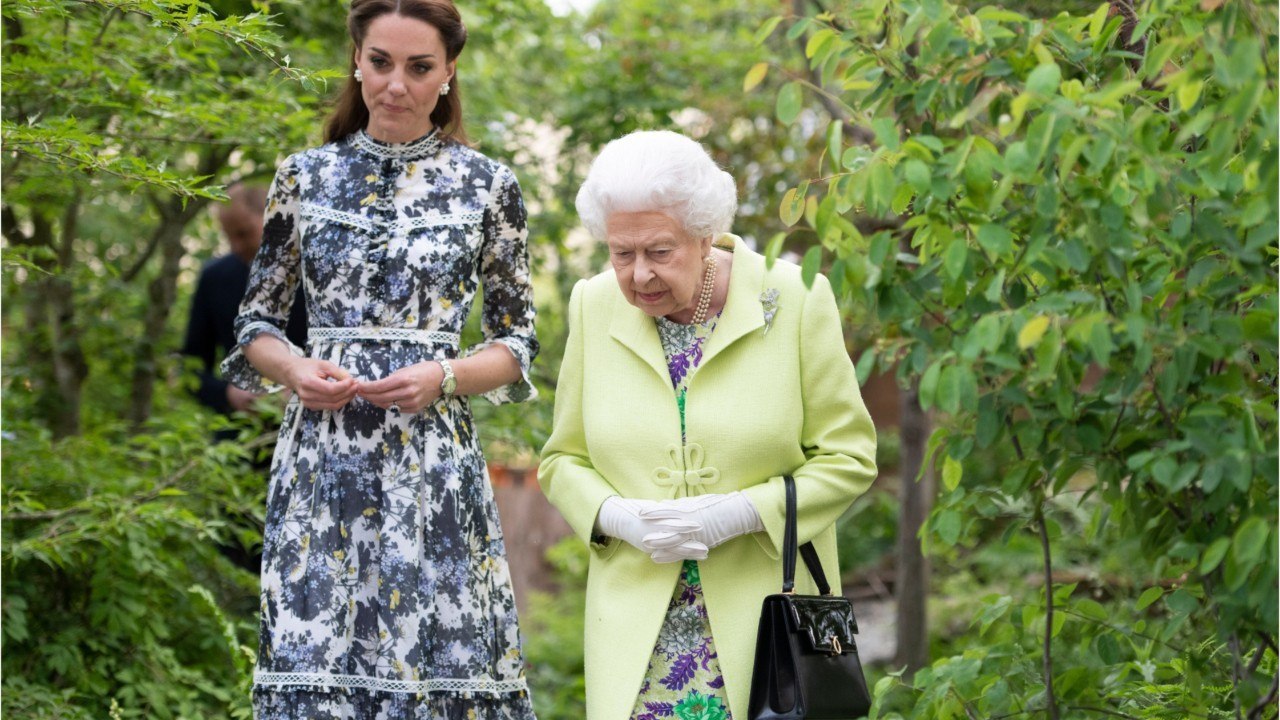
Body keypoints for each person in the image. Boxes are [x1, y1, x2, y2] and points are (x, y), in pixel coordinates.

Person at [220, 1, 539, 717]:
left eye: (419, 67)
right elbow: (256, 327)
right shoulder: (304, 178)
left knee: (433, 671)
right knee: (317, 667)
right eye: (381, 63)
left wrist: (445, 375)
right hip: (322, 464)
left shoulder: (490, 187)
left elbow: (517, 345)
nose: (397, 84)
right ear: (356, 63)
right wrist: (296, 369)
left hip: (431, 465)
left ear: (449, 73)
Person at [539, 130, 877, 720]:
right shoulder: (593, 304)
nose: (638, 275)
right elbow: (562, 460)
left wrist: (741, 513)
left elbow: (849, 457)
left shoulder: (796, 299)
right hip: (637, 636)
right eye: (622, 253)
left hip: (769, 633)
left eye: (659, 251)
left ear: (703, 235)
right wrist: (619, 517)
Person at [181, 183, 306, 418]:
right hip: (239, 434)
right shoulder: (214, 278)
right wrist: (228, 393)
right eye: (229, 236)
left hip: (312, 424)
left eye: (243, 233)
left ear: (274, 217)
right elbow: (191, 366)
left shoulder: (316, 274)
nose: (236, 246)